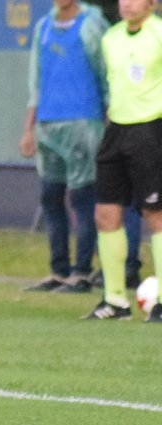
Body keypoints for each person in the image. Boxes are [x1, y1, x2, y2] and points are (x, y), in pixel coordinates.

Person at [20, 0, 108, 294]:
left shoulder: (91, 25)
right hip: (47, 122)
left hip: (83, 121)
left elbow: (106, 73)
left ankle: (82, 273)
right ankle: (58, 271)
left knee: (83, 198)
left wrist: (108, 119)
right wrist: (28, 128)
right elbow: (36, 81)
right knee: (51, 197)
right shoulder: (43, 27)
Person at [85, 0, 162, 321]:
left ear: (152, 3)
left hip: (152, 129)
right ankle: (115, 301)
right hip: (116, 129)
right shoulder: (111, 37)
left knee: (155, 214)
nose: (127, 3)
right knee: (105, 215)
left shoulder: (159, 34)